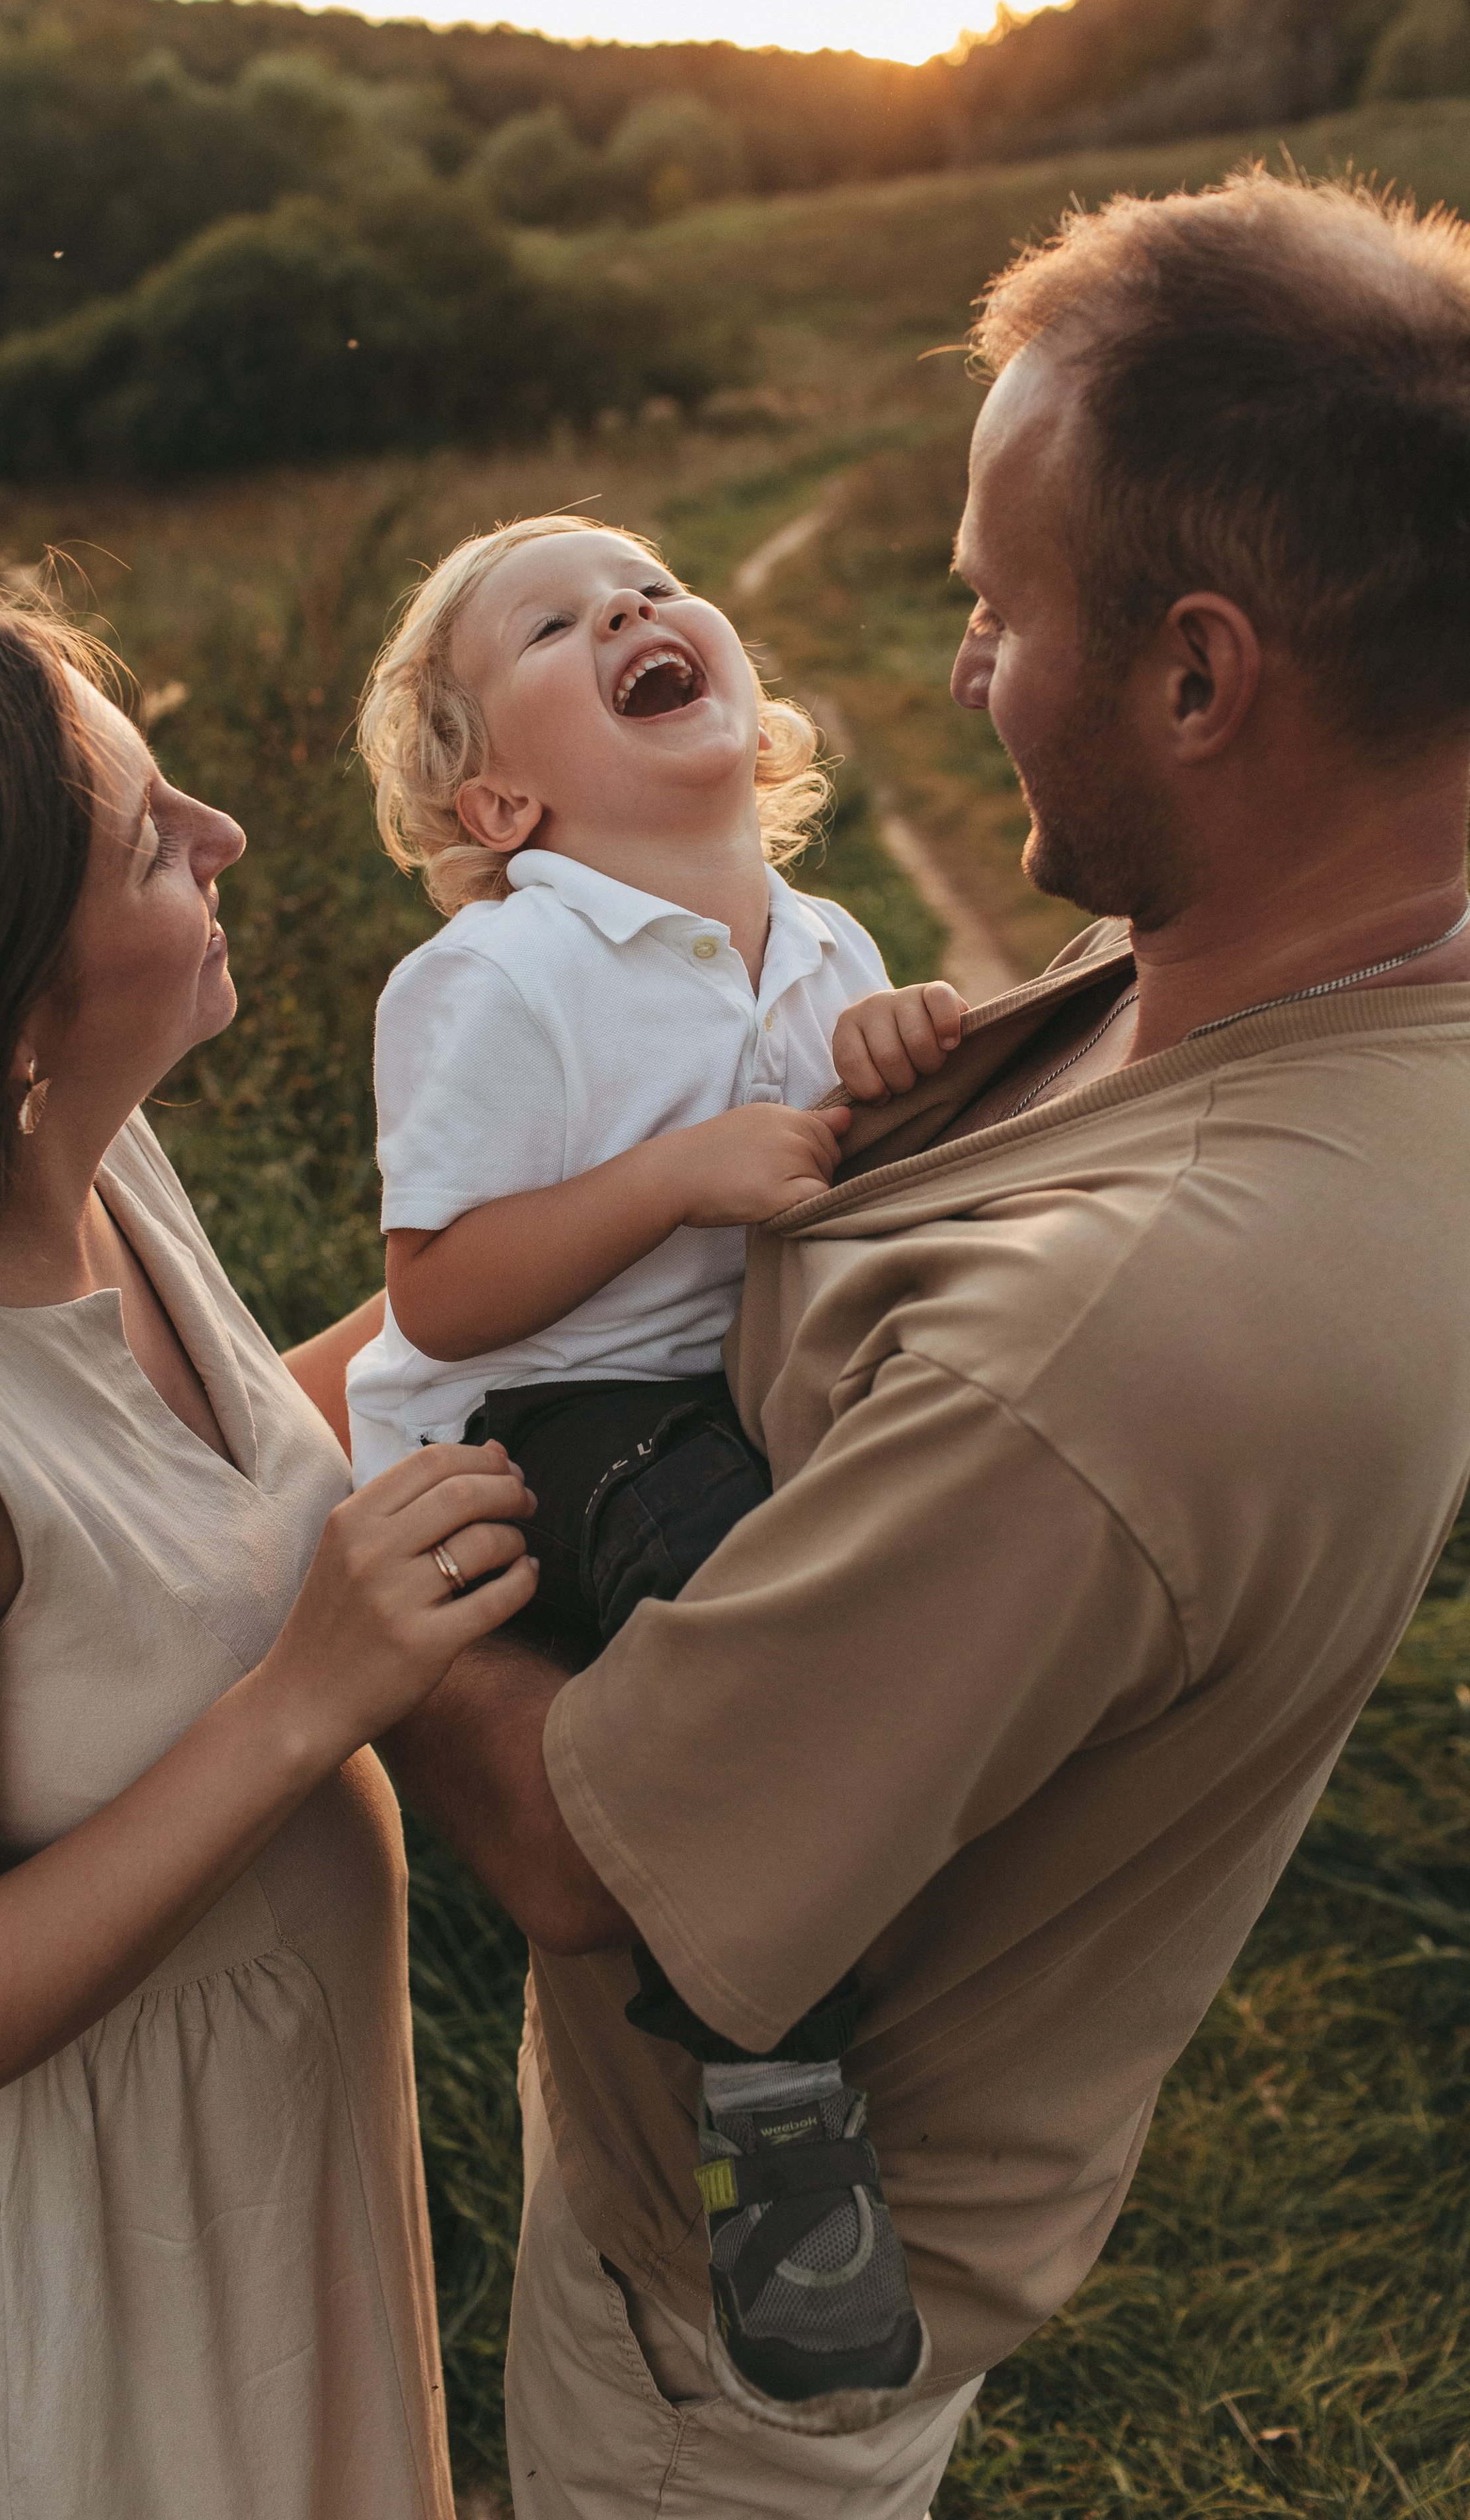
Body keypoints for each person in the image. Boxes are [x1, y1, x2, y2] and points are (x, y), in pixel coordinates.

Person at [381, 167, 1470, 2519]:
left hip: (725, 2370)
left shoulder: (1108, 1343)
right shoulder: (1272, 963)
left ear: (1199, 677)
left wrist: (312, 1550)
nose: (964, 670)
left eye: (996, 614)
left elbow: (593, 1852)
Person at [0, 587, 536, 2520]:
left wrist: (604, 1251)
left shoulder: (93, 1163)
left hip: (242, 2177)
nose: (227, 834)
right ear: (7, 999)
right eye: (144, 837)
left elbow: (163, 1506)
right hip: (45, 2287)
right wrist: (303, 1708)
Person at [346, 513, 974, 2428]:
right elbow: (439, 1291)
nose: (629, 604)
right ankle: (761, 2073)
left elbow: (842, 1176)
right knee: (735, 1581)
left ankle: (889, 1877)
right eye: (554, 616)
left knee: (902, 1548)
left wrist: (893, 1067)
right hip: (552, 1420)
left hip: (734, 1381)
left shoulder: (827, 933)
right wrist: (677, 1176)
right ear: (501, 797)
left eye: (649, 579)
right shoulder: (501, 976)